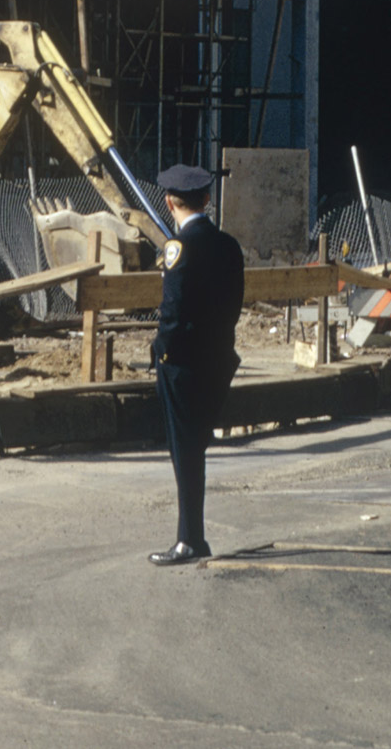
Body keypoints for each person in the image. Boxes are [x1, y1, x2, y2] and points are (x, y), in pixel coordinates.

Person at [147, 162, 244, 568]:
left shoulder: (179, 247)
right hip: (218, 357)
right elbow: (234, 304)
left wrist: (161, 350)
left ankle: (190, 539)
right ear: (207, 199)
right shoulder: (228, 245)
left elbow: (172, 311)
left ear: (170, 201)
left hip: (183, 362)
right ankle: (193, 536)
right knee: (196, 448)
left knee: (184, 452)